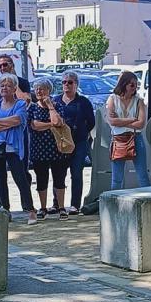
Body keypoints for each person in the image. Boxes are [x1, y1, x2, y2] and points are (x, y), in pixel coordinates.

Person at [0, 73, 36, 224]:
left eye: (8, 85)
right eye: (2, 85)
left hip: (13, 147)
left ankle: (30, 210)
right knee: (0, 178)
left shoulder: (19, 104)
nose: (5, 88)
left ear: (14, 88)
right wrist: (3, 123)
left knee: (20, 178)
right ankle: (5, 209)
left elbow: (18, 120)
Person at [27, 78, 71, 219]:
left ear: (49, 91)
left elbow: (59, 121)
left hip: (57, 148)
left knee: (59, 179)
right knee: (41, 179)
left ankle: (61, 207)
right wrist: (51, 125)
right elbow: (34, 125)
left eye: (42, 89)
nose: (39, 91)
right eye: (37, 89)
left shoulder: (57, 105)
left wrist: (50, 107)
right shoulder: (32, 107)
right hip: (39, 149)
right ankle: (43, 207)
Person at [55, 71, 96, 215]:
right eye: (64, 82)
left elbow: (91, 122)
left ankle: (75, 205)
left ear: (76, 85)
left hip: (78, 142)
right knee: (59, 174)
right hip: (61, 143)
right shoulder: (56, 101)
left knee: (76, 173)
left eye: (70, 82)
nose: (67, 85)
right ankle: (58, 205)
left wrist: (81, 132)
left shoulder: (83, 102)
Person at [106, 70, 150, 190]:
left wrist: (121, 121)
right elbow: (112, 121)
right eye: (131, 84)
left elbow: (141, 124)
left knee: (142, 174)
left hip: (136, 138)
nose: (134, 87)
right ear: (124, 84)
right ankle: (114, 204)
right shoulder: (112, 99)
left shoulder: (138, 101)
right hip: (118, 139)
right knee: (117, 178)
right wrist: (132, 119)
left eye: (136, 85)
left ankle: (147, 200)